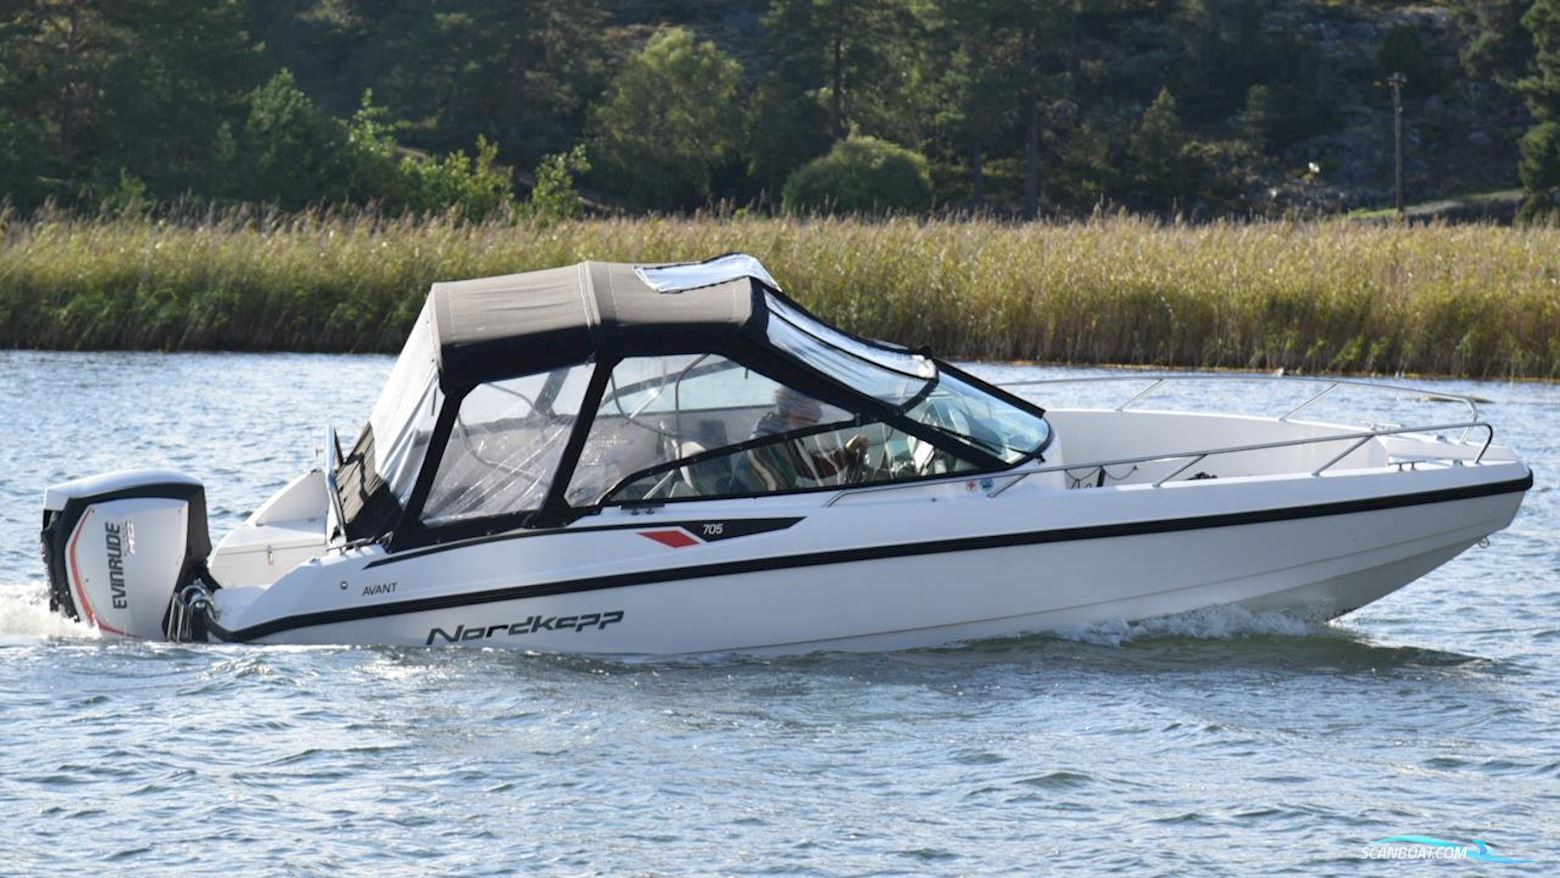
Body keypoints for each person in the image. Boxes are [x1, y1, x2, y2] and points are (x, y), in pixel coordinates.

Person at [746, 386, 867, 490]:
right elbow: (780, 492)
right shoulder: (768, 443)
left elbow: (811, 467)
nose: (819, 414)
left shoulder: (785, 435)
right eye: (815, 406)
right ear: (795, 408)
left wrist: (847, 452)